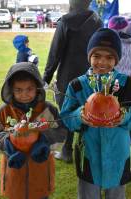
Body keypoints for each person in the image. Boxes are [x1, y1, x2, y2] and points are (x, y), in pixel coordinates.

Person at [60, 28, 131, 199]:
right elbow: (66, 117)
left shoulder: (127, 85)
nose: (102, 62)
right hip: (88, 157)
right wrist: (80, 115)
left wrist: (125, 117)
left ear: (117, 59)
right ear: (89, 57)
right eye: (97, 56)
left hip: (119, 155)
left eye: (109, 57)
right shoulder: (78, 85)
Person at [0, 62, 67, 199]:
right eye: (19, 90)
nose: (24, 94)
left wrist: (44, 141)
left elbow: (61, 131)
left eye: (29, 89)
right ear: (11, 90)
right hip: (14, 176)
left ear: (38, 88)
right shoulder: (3, 112)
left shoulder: (48, 110)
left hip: (41, 175)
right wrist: (8, 144)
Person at [43, 0, 102, 163]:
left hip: (68, 76)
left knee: (68, 112)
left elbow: (55, 53)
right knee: (88, 108)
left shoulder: (66, 22)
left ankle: (68, 150)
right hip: (91, 74)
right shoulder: (98, 21)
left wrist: (46, 78)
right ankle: (84, 150)